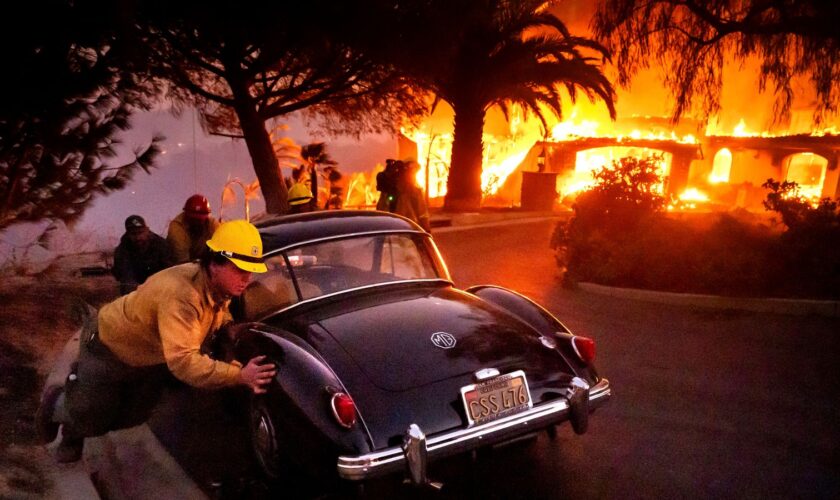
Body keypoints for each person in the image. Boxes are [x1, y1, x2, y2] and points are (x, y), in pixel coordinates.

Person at [36, 220, 276, 463]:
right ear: (215, 264)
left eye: (251, 270)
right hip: (108, 345)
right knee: (92, 415)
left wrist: (227, 327)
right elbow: (183, 362)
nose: (247, 278)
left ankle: (80, 399)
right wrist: (239, 375)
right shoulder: (182, 296)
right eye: (240, 269)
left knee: (135, 416)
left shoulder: (215, 284)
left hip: (146, 354)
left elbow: (215, 313)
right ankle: (58, 406)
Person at [112, 215, 174, 295]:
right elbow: (125, 275)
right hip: (136, 287)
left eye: (140, 232)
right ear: (128, 234)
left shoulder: (161, 245)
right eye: (133, 234)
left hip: (158, 283)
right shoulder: (122, 250)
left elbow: (168, 270)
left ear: (147, 230)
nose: (138, 237)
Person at [166, 194, 220, 264]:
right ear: (186, 215)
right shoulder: (176, 228)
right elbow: (183, 261)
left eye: (200, 220)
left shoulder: (212, 224)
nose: (197, 223)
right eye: (194, 219)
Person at [393, 160, 431, 232]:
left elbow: (422, 214)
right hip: (409, 230)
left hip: (406, 230)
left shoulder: (415, 192)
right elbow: (422, 214)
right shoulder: (414, 192)